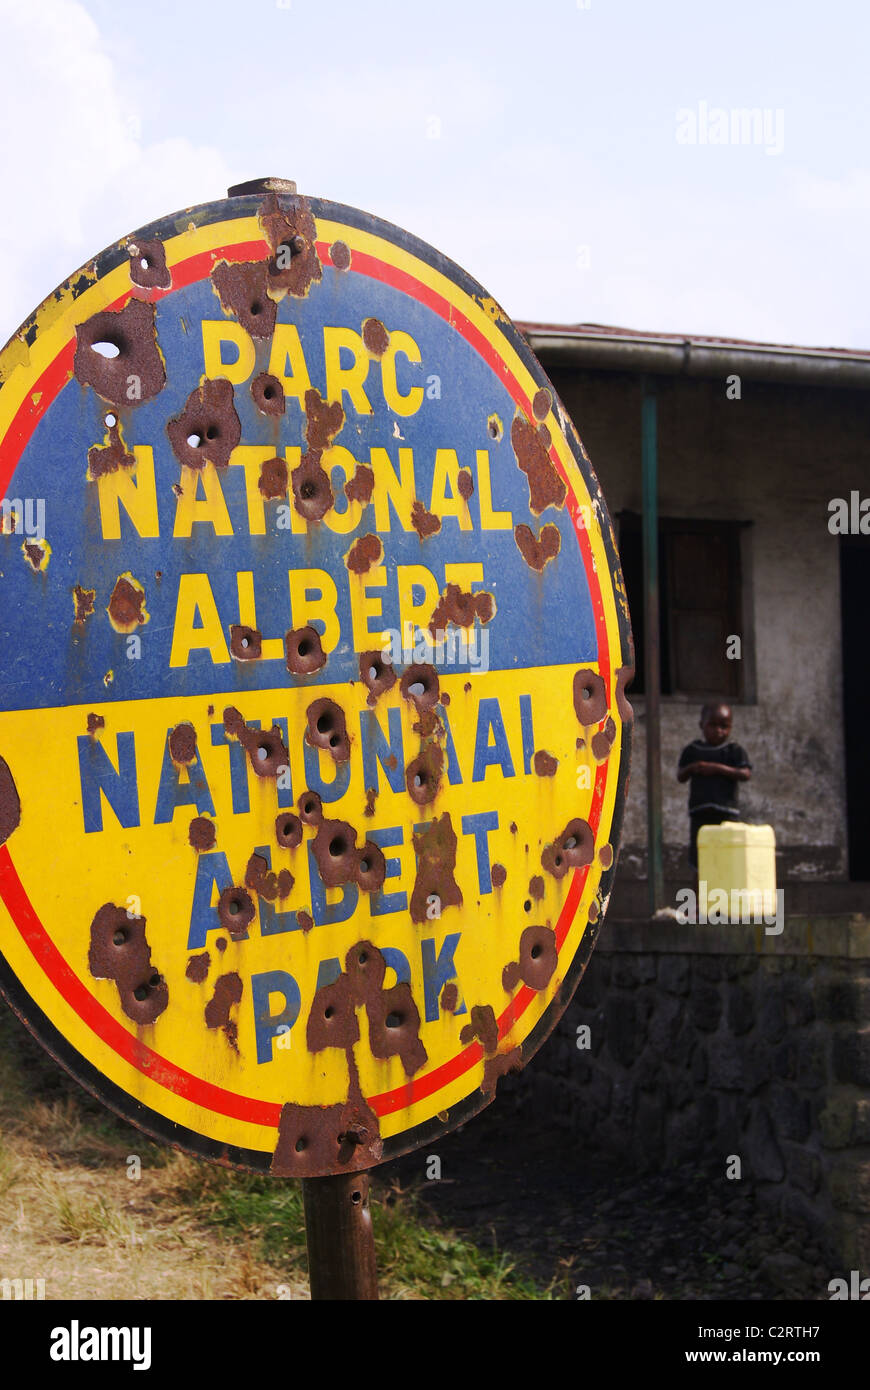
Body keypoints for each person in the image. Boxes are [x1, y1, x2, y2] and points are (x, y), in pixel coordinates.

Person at [677, 703, 752, 878]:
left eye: (724, 726)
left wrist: (716, 768)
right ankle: (698, 901)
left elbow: (745, 773)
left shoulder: (734, 751)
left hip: (726, 814)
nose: (718, 731)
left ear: (730, 727)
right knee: (699, 859)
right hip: (700, 813)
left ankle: (724, 901)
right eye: (713, 725)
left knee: (726, 857)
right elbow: (681, 776)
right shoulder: (693, 751)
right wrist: (695, 767)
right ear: (701, 725)